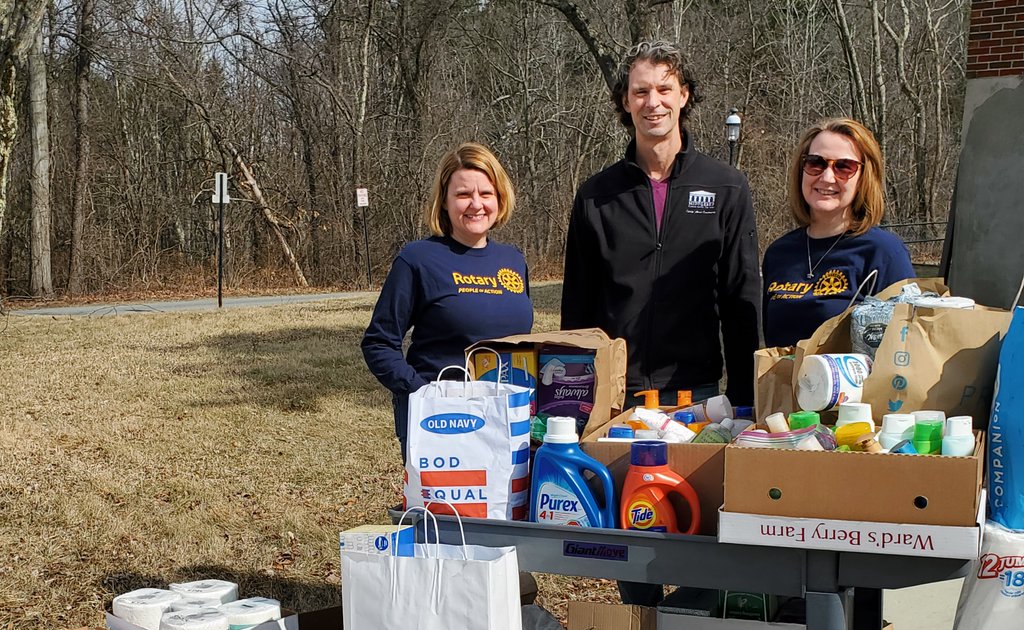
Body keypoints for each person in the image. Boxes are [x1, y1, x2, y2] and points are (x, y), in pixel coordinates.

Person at [561, 40, 761, 407]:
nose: (653, 102)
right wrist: (574, 399)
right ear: (626, 101)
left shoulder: (726, 186)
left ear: (683, 96)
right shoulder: (596, 195)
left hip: (697, 395)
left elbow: (741, 300)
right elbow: (577, 309)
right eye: (641, 91)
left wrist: (745, 400)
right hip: (615, 395)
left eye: (664, 89)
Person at [362, 143, 533, 460]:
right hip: (441, 423)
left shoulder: (513, 261)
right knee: (447, 511)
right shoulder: (418, 259)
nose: (476, 204)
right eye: (463, 194)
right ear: (444, 201)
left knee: (504, 509)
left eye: (486, 193)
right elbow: (378, 343)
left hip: (508, 421)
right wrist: (423, 393)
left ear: (500, 198)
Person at [762, 118, 915, 347]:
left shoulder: (884, 254)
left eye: (844, 167)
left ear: (864, 177)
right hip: (784, 382)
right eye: (816, 163)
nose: (826, 177)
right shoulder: (779, 253)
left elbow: (905, 348)